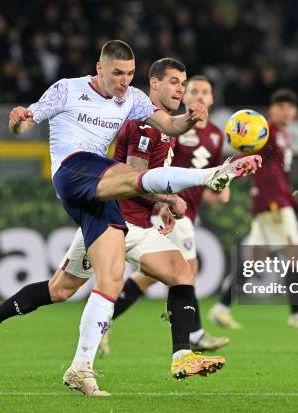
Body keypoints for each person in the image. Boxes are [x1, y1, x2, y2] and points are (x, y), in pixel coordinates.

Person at [0, 42, 261, 396]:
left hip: (106, 205)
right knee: (125, 188)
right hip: (75, 174)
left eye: (129, 73)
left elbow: (171, 124)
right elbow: (28, 121)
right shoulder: (67, 89)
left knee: (85, 285)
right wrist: (18, 121)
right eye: (117, 73)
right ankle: (210, 175)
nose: (123, 81)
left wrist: (190, 120)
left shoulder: (133, 100)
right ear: (99, 68)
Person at [101, 75, 230, 355]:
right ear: (183, 98)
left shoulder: (217, 135)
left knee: (148, 277)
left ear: (211, 98)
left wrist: (221, 186)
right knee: (187, 270)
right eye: (192, 90)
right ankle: (192, 335)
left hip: (188, 210)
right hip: (166, 208)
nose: (198, 95)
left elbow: (209, 173)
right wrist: (163, 200)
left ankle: (104, 320)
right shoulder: (174, 128)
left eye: (204, 91)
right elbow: (157, 166)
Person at [208, 88, 298, 330]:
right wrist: (220, 180)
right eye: (281, 106)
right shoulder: (266, 133)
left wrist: (296, 205)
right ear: (272, 109)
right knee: (293, 254)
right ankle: (297, 315)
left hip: (273, 202)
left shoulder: (283, 136)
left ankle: (221, 308)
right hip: (272, 203)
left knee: (255, 261)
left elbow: (283, 176)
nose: (287, 111)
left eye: (290, 107)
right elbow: (246, 156)